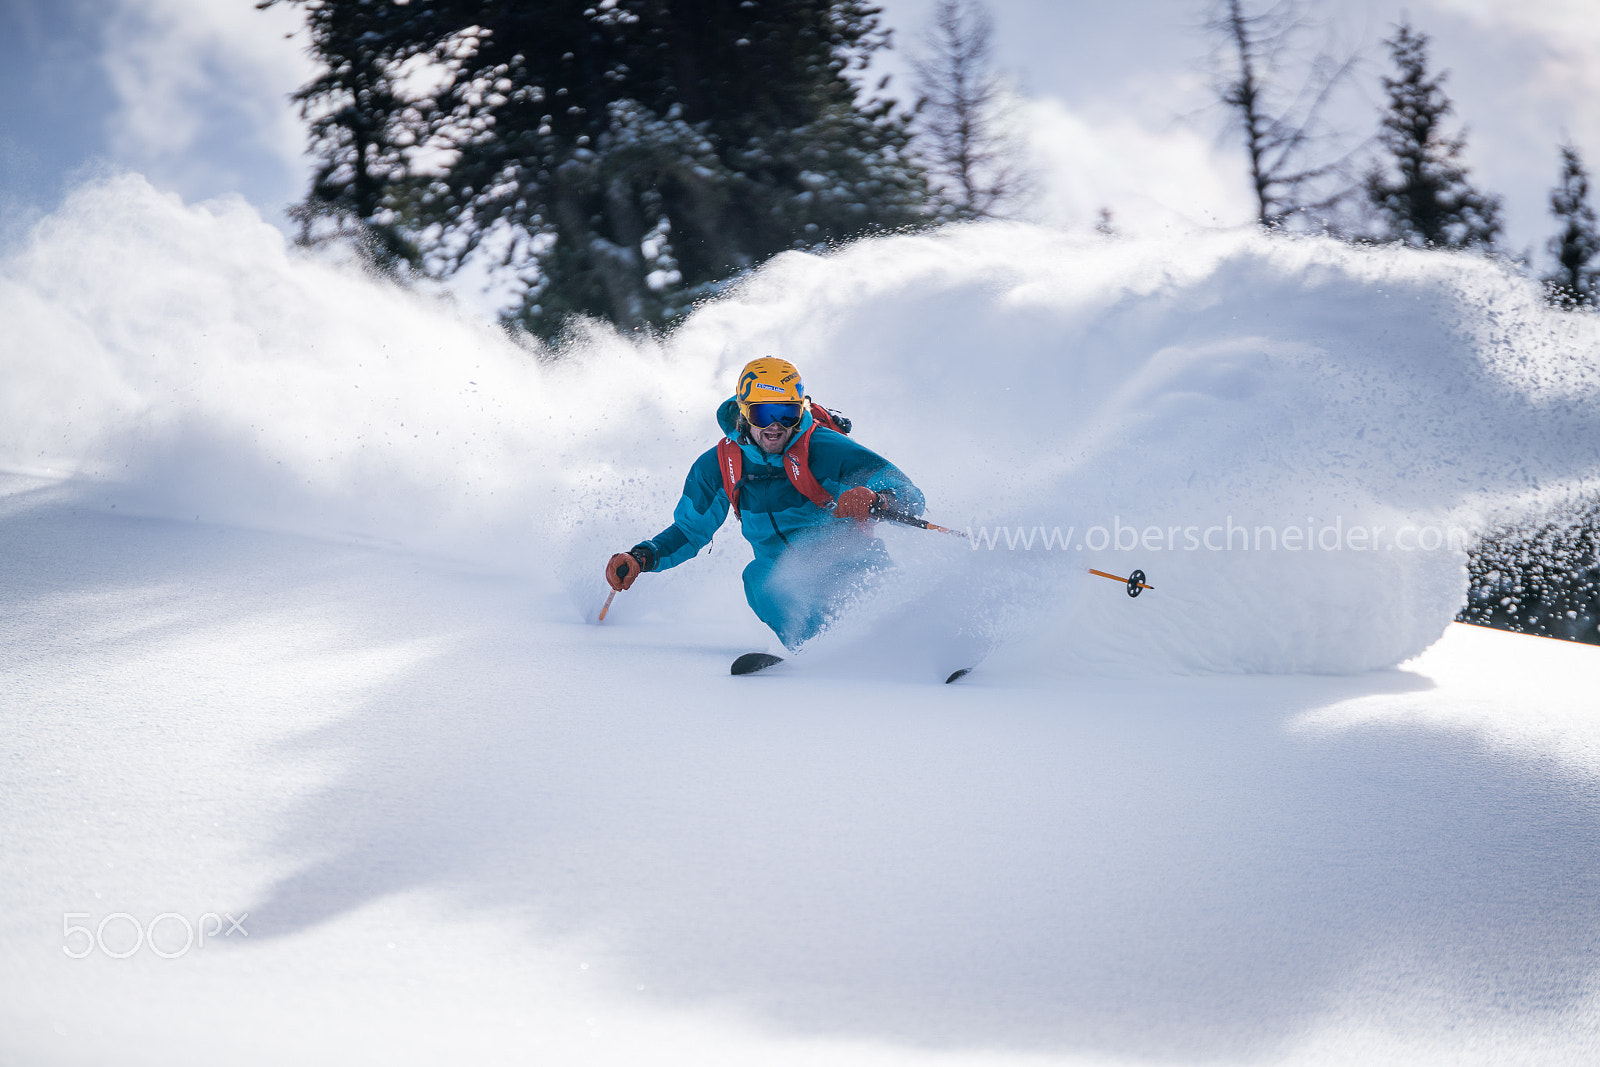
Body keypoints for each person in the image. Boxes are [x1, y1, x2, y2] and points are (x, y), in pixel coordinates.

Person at [604, 357, 925, 649]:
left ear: (800, 410)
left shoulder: (825, 449)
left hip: (852, 563)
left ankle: (928, 649)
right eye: (762, 413)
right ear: (744, 412)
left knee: (896, 623)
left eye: (787, 413)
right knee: (760, 579)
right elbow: (690, 531)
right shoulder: (720, 465)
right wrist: (643, 556)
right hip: (789, 576)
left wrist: (876, 499)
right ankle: (819, 654)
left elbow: (909, 493)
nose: (775, 425)